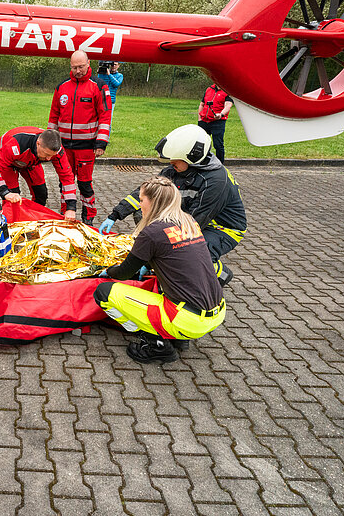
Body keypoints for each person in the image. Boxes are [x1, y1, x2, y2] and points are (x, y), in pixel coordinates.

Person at [94, 176, 226, 363]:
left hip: (187, 319)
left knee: (103, 293)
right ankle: (179, 338)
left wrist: (108, 271)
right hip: (217, 311)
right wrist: (148, 265)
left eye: (141, 200)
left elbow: (124, 273)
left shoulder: (152, 233)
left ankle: (156, 343)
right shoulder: (189, 222)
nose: (139, 205)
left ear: (153, 202)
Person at [100, 124, 246, 288]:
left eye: (175, 160)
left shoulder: (216, 181)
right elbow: (146, 193)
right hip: (190, 216)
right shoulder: (175, 170)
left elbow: (194, 224)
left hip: (222, 228)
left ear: (193, 158)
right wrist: (115, 215)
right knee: (143, 215)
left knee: (194, 250)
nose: (171, 163)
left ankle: (220, 273)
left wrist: (150, 258)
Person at [48, 49, 112, 226]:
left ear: (88, 63)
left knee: (84, 184)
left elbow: (105, 116)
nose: (78, 71)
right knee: (64, 182)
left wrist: (101, 142)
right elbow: (53, 116)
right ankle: (66, 212)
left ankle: (88, 215)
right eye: (75, 67)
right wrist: (50, 142)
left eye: (81, 67)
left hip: (86, 146)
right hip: (63, 147)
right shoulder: (62, 87)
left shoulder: (99, 86)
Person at [0, 126, 78, 221]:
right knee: (13, 197)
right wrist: (5, 193)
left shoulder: (56, 149)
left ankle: (32, 221)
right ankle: (11, 225)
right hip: (9, 160)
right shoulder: (15, 145)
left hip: (31, 160)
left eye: (51, 156)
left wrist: (71, 208)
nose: (48, 159)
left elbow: (67, 177)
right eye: (46, 154)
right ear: (38, 144)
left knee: (41, 194)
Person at [197, 82, 233, 163]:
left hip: (218, 122)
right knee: (201, 144)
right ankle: (201, 162)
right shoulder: (209, 89)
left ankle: (220, 165)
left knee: (218, 145)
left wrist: (221, 114)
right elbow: (202, 104)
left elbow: (228, 105)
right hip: (204, 121)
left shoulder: (228, 92)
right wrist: (200, 118)